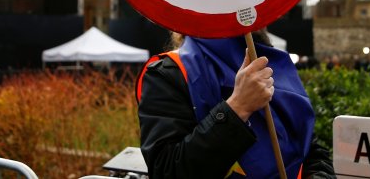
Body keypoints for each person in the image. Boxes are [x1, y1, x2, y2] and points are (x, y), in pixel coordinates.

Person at [136, 29, 335, 178]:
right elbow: (168, 171)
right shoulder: (168, 73)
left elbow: (311, 151)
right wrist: (238, 107)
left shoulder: (268, 62)